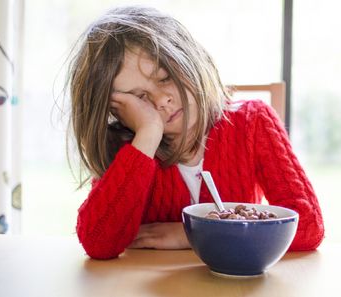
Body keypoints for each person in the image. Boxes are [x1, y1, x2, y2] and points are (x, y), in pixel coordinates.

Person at [67, 5, 324, 259]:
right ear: (117, 111)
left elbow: (309, 227)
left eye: (164, 77)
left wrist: (192, 234)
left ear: (189, 60)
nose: (161, 101)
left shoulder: (253, 123)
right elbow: (98, 242)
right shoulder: (128, 149)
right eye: (140, 97)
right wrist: (148, 135)